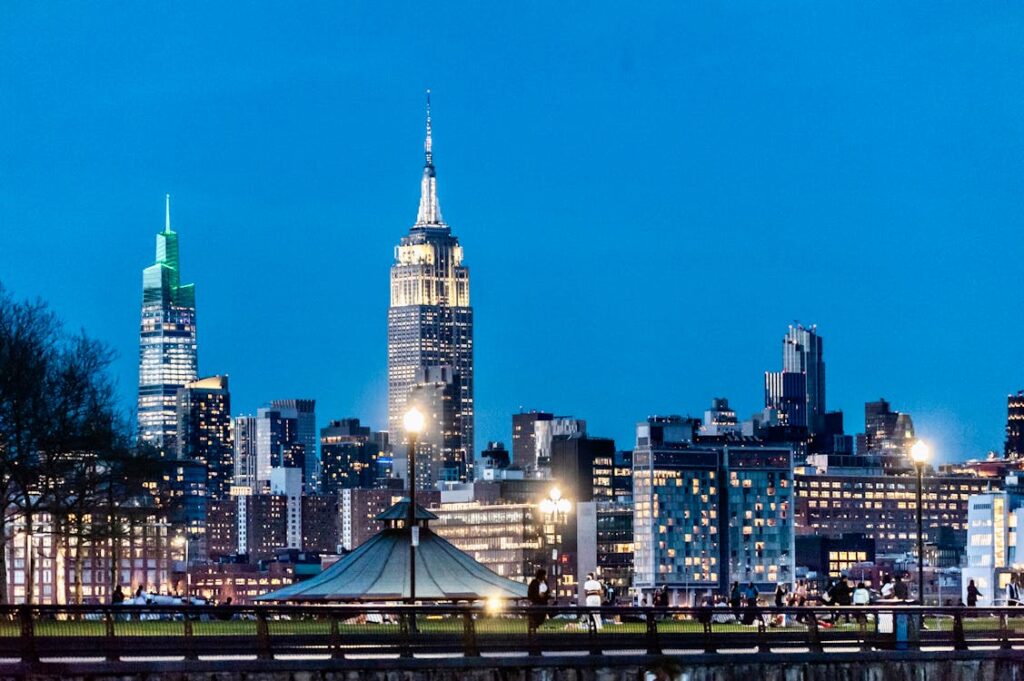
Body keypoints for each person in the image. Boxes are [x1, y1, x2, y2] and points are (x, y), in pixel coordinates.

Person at [527, 568, 551, 634]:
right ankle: (533, 628)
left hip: (542, 604)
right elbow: (530, 594)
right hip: (537, 603)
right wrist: (537, 597)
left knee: (539, 617)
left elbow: (548, 592)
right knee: (535, 616)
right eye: (544, 575)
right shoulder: (534, 583)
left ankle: (534, 627)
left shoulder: (545, 583)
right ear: (541, 575)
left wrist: (546, 596)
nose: (545, 576)